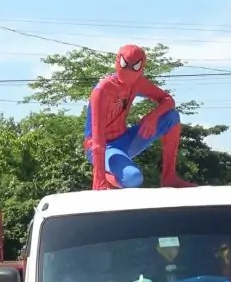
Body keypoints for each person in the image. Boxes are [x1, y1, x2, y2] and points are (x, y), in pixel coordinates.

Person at [84, 44, 195, 190]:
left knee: (171, 117)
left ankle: (169, 177)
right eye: (125, 65)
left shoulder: (138, 83)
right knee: (133, 178)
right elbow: (97, 140)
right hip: (101, 147)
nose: (129, 71)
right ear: (118, 62)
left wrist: (152, 117)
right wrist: (98, 179)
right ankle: (106, 177)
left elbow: (168, 100)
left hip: (125, 139)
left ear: (141, 66)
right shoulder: (101, 91)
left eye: (135, 67)